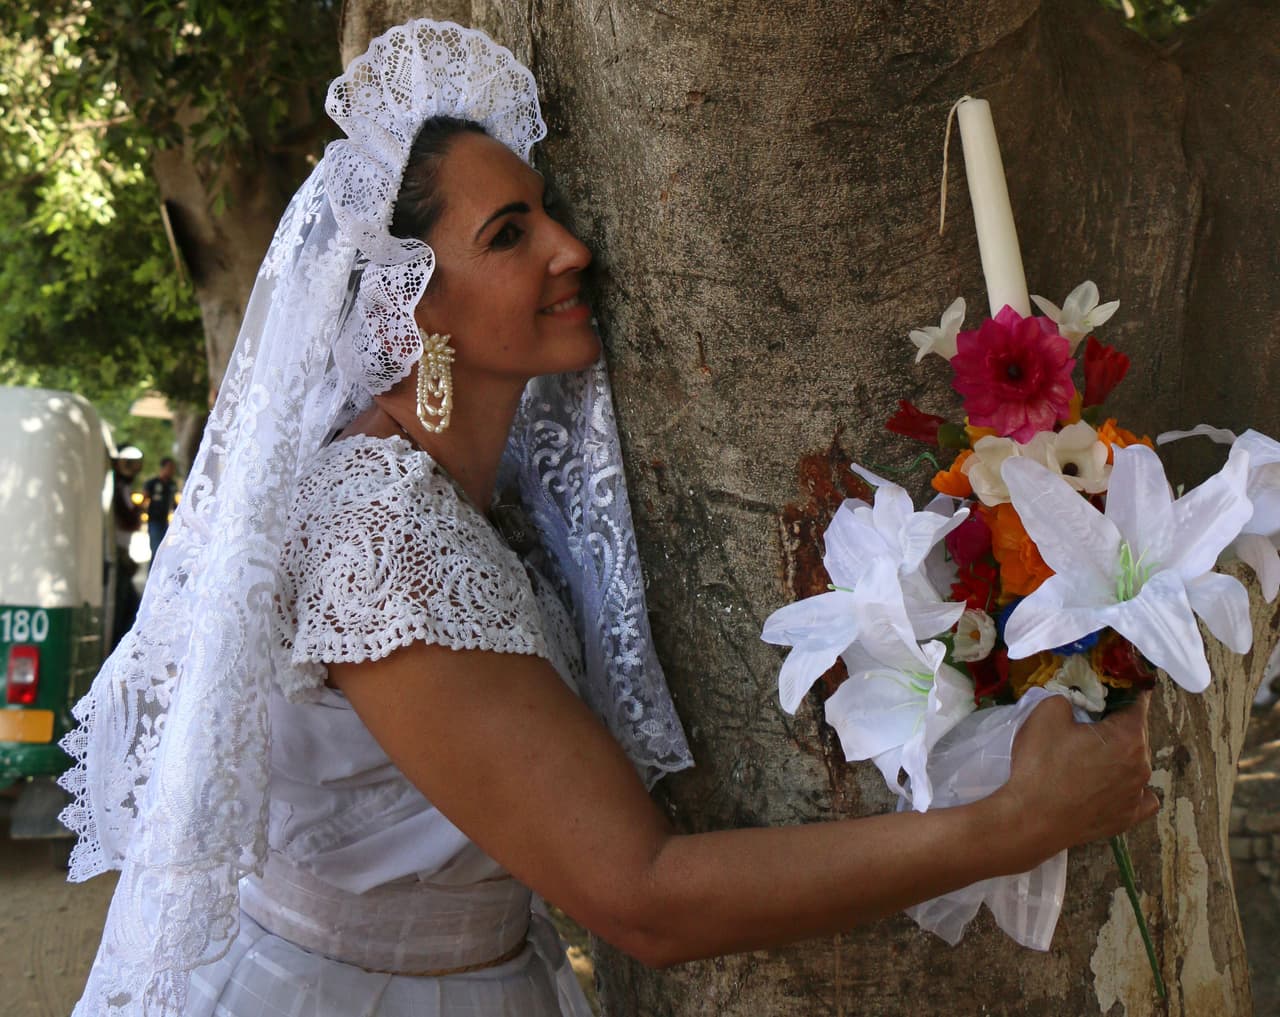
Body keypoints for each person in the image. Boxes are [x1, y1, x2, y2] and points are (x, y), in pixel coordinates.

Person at [58, 21, 1158, 1017]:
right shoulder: (381, 538)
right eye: (506, 234)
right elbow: (641, 899)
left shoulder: (460, 510)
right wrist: (1010, 826)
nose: (569, 249)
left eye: (548, 215)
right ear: (411, 305)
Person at [108, 445, 144, 647]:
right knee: (127, 605)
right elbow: (128, 519)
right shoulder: (119, 488)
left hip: (122, 550)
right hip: (118, 551)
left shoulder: (122, 487)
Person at [141, 457, 178, 560]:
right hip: (154, 520)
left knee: (163, 549)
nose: (171, 471)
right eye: (169, 467)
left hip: (164, 521)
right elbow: (144, 499)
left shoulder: (172, 484)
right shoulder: (152, 483)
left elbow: (174, 502)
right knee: (156, 550)